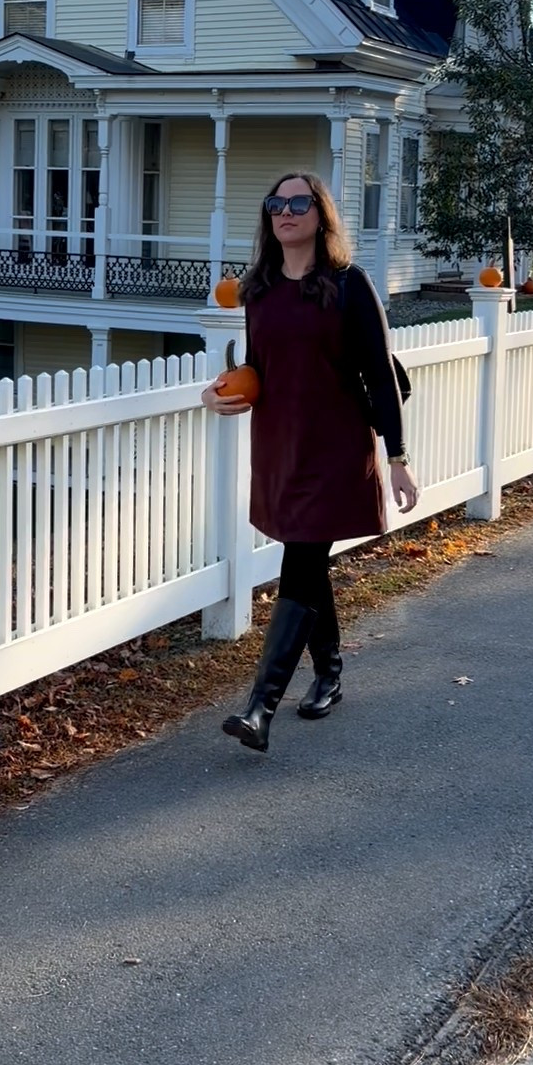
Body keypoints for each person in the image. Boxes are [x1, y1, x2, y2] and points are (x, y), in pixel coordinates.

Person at [201, 171, 419, 753]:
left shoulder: (349, 285)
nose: (286, 211)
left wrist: (398, 457)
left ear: (321, 216)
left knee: (300, 560)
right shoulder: (258, 290)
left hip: (336, 447)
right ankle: (330, 672)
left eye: (300, 203)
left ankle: (259, 708)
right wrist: (217, 393)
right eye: (277, 202)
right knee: (307, 561)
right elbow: (259, 368)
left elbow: (381, 375)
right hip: (280, 445)